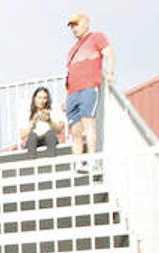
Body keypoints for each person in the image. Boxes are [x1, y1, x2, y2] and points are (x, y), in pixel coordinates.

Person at [65, 12, 115, 166]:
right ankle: (78, 164)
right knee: (75, 131)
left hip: (88, 87)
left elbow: (109, 53)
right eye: (72, 26)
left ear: (86, 23)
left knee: (89, 124)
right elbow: (68, 75)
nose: (74, 29)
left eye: (76, 24)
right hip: (73, 91)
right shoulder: (72, 50)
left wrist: (111, 73)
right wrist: (65, 96)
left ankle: (92, 161)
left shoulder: (96, 37)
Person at [21, 87, 65, 157]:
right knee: (32, 136)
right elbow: (22, 135)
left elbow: (59, 130)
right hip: (34, 139)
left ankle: (51, 161)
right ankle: (32, 163)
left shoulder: (53, 110)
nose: (42, 101)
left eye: (44, 98)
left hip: (49, 138)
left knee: (50, 134)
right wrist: (32, 123)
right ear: (34, 99)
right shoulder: (27, 112)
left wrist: (49, 120)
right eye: (39, 98)